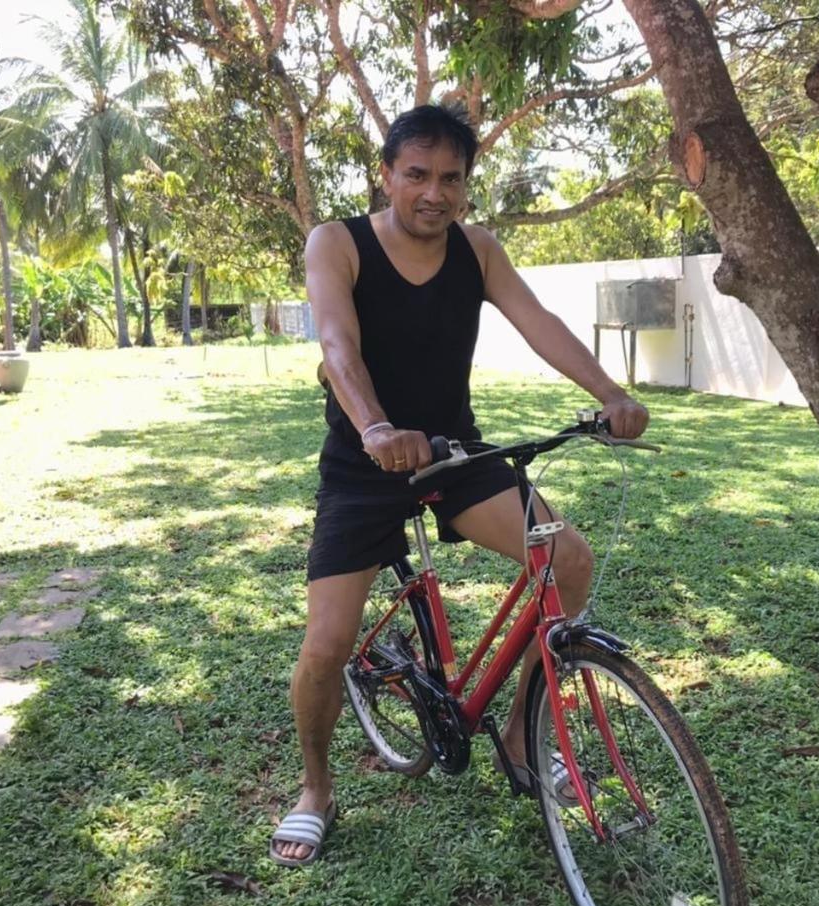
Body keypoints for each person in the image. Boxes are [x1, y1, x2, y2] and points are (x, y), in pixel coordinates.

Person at [270, 104, 649, 865]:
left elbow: (539, 321)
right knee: (328, 644)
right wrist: (376, 428)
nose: (434, 193)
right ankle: (315, 788)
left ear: (467, 185)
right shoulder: (337, 243)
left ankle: (520, 735)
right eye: (417, 175)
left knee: (568, 561)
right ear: (387, 175)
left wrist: (611, 392)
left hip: (452, 455)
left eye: (451, 178)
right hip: (365, 463)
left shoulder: (478, 250)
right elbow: (338, 345)